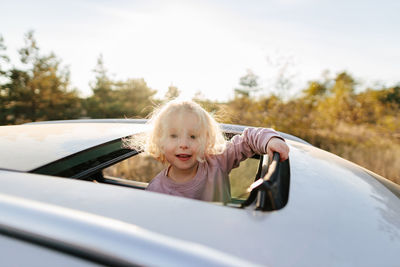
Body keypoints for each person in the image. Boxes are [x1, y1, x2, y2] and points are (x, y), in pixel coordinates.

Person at [127, 99, 289, 203]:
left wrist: (270, 140)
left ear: (207, 139)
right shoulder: (156, 191)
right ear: (159, 141)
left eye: (193, 136)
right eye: (174, 136)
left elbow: (247, 139)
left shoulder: (218, 160)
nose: (183, 144)